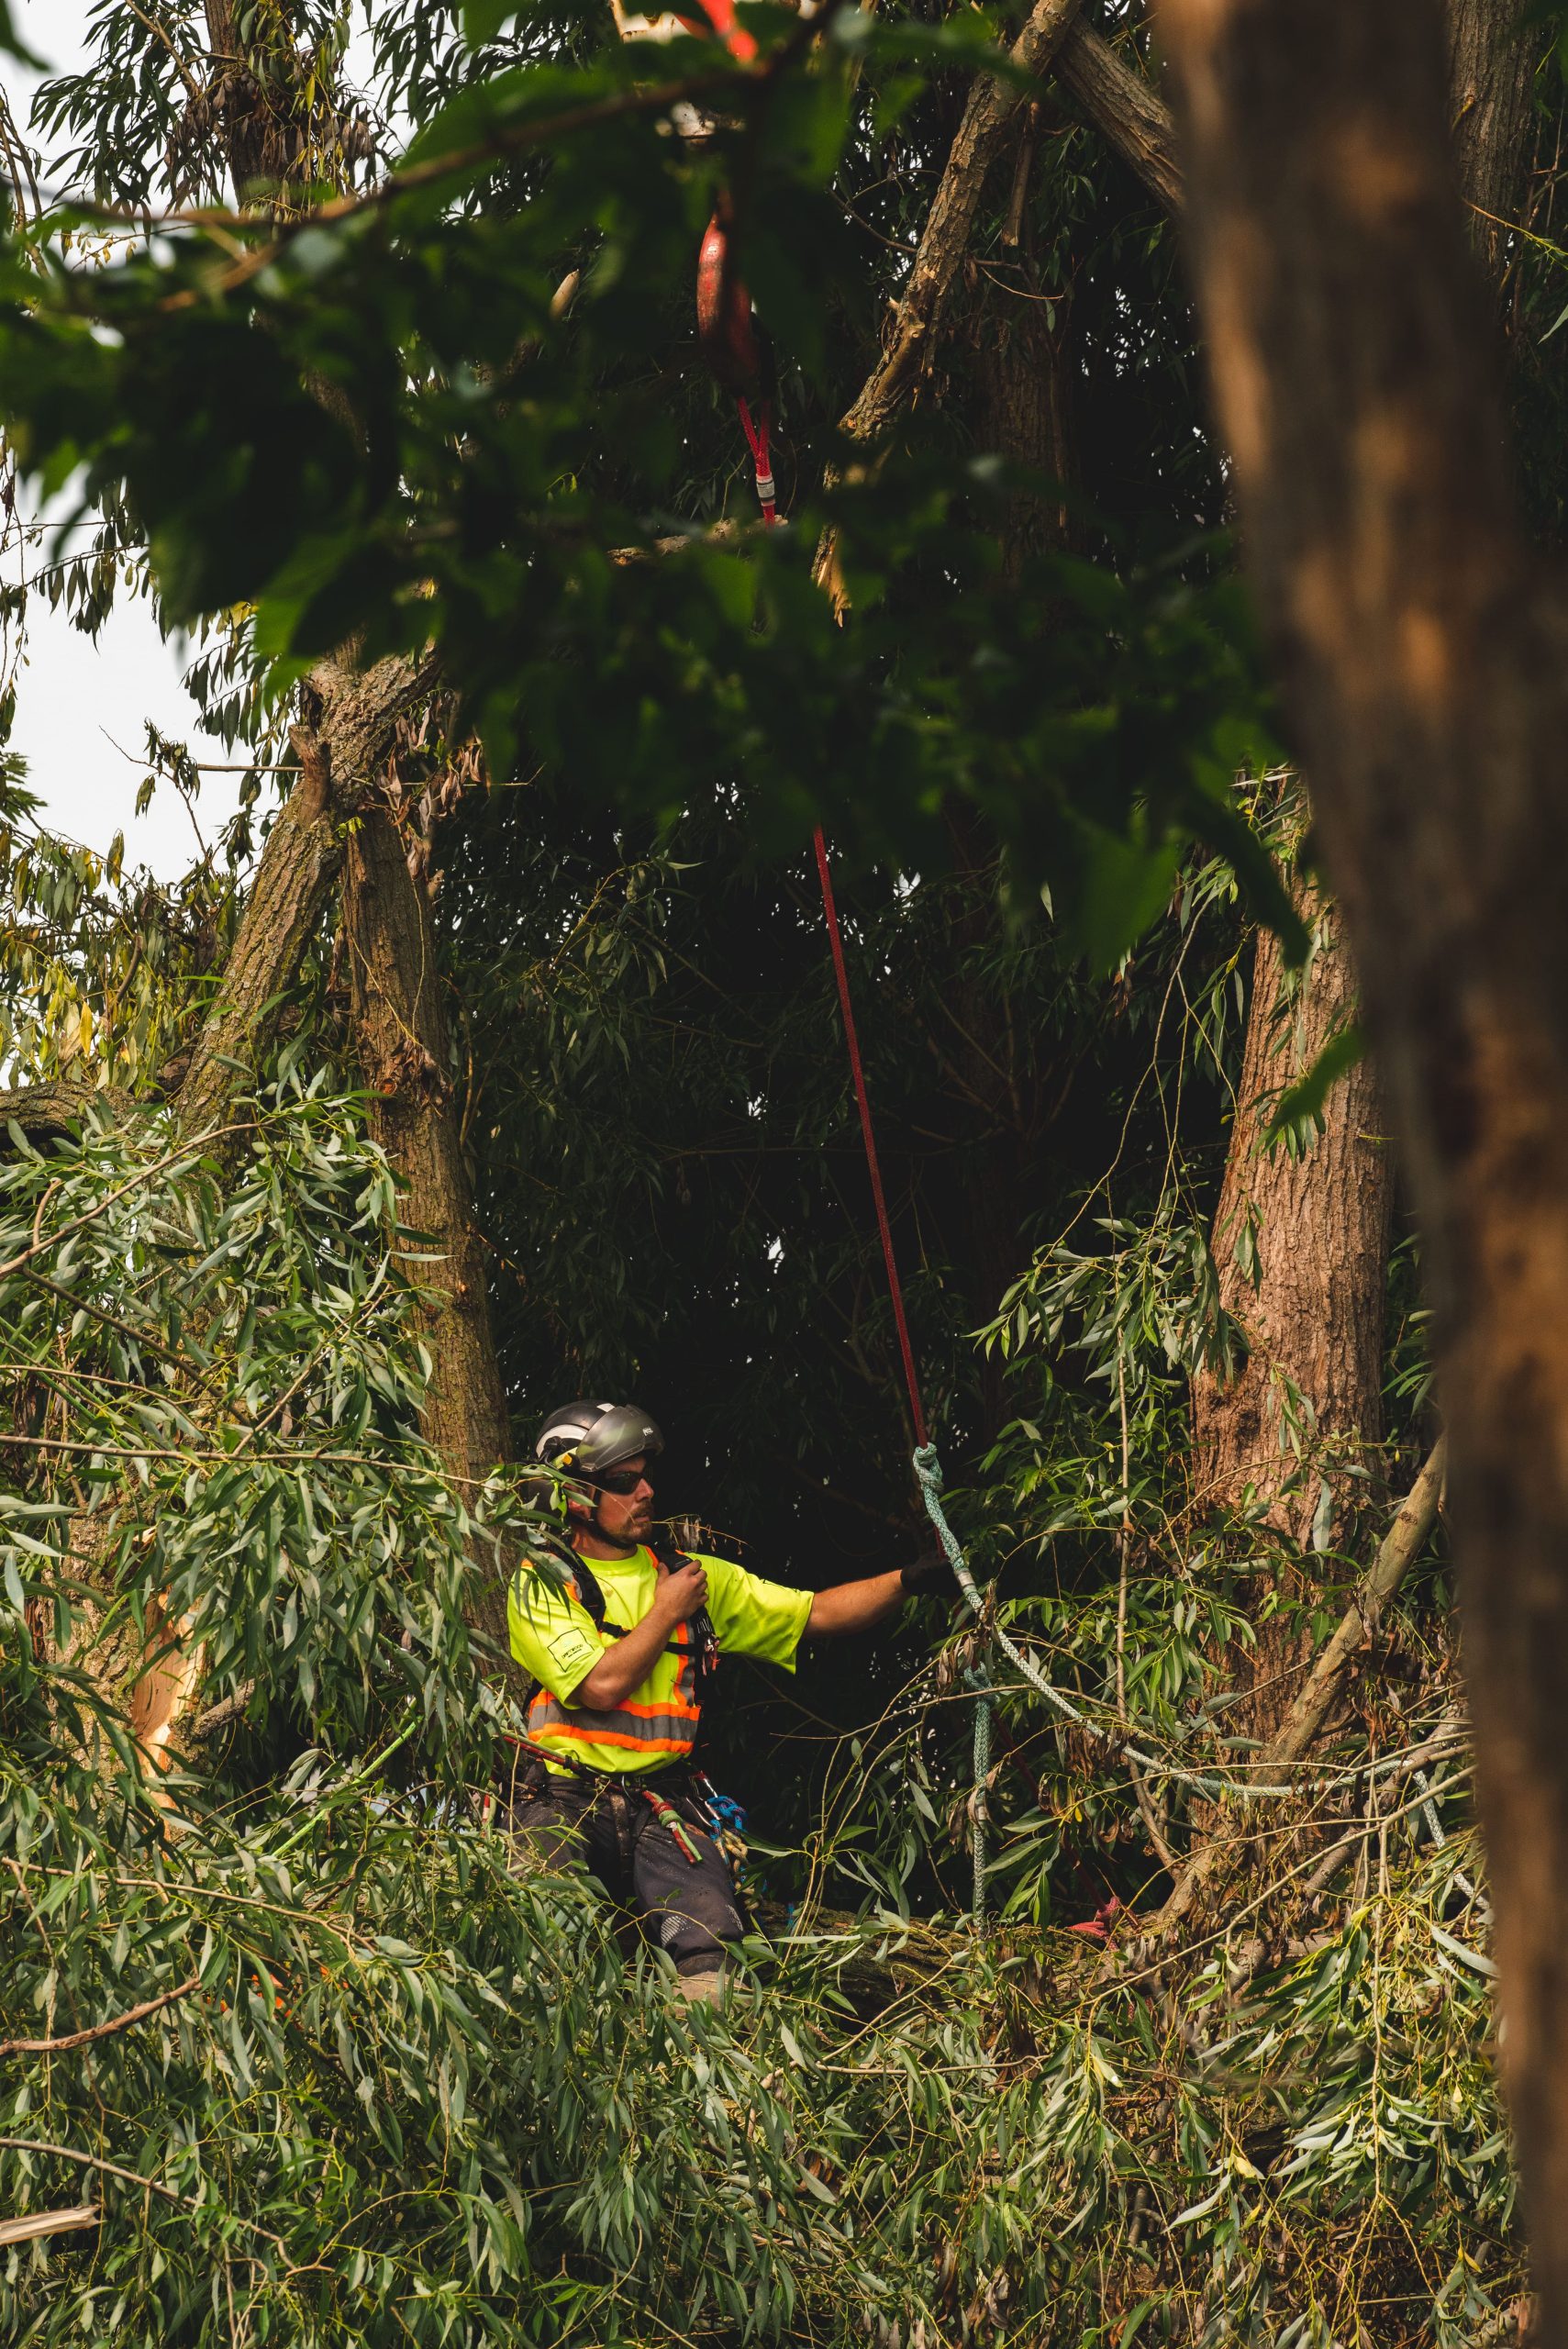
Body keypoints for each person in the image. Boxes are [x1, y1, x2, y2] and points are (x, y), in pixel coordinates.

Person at [501, 1398, 941, 2004]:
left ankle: (704, 2076)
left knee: (709, 1952)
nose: (646, 1493)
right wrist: (666, 1612)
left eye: (646, 1475)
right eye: (624, 1483)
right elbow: (599, 1686)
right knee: (542, 1940)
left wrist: (908, 1580)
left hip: (664, 1804)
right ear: (572, 1494)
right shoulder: (546, 1579)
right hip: (562, 1797)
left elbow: (815, 1613)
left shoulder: (694, 1580)